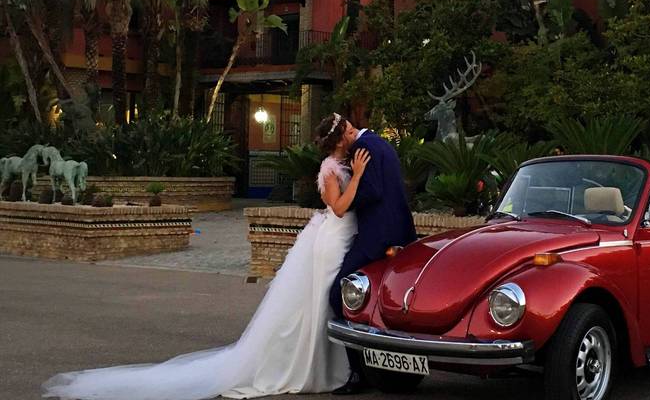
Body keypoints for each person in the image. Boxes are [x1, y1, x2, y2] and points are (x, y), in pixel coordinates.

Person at [41, 113, 370, 400]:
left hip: (340, 238)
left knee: (323, 304)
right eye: (351, 128)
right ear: (340, 139)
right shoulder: (330, 170)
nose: (356, 131)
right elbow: (339, 208)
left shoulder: (340, 162)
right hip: (332, 239)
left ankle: (336, 365)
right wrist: (356, 176)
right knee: (320, 304)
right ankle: (312, 366)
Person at [329, 117, 418, 395]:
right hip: (401, 231)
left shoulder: (362, 149)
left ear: (345, 135)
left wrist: (346, 194)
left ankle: (358, 372)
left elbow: (372, 191)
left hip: (376, 236)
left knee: (339, 293)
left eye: (339, 141)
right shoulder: (383, 144)